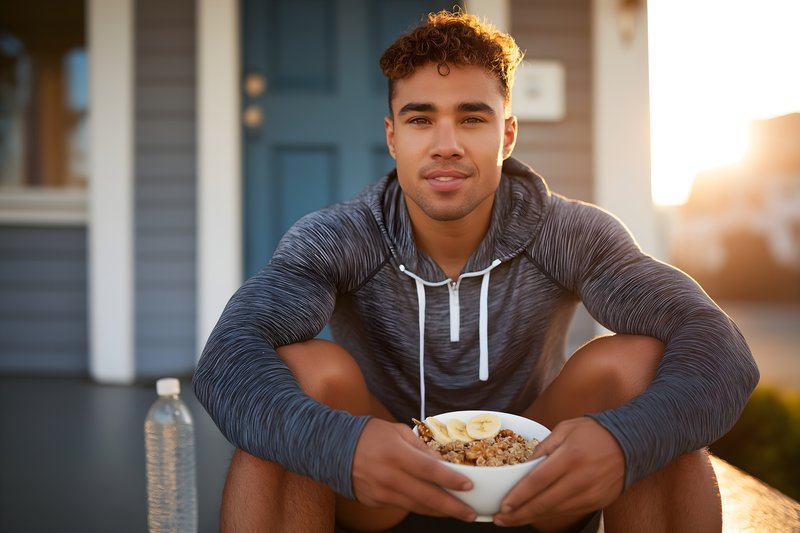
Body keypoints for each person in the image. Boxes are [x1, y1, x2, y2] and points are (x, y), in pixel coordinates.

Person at [193, 10, 759, 533]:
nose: (446, 145)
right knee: (304, 369)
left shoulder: (570, 232)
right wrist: (336, 446)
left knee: (639, 362)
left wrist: (627, 442)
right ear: (392, 137)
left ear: (506, 134)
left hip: (538, 488)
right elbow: (228, 354)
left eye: (471, 118)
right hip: (380, 491)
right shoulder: (340, 236)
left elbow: (718, 344)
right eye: (420, 120)